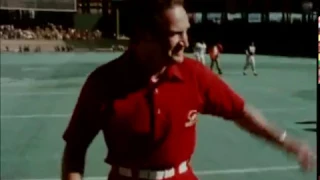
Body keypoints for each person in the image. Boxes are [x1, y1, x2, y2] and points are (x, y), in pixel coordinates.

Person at [61, 1, 315, 180]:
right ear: (145, 35)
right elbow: (75, 149)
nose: (187, 42)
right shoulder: (104, 82)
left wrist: (287, 142)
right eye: (176, 34)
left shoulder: (195, 75)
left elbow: (241, 112)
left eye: (187, 32)